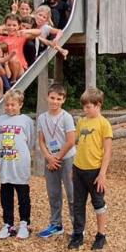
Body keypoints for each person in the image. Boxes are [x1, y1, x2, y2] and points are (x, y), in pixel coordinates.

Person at [69, 88, 112, 251]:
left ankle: (101, 235)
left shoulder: (104, 124)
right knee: (78, 204)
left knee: (98, 203)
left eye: (89, 107)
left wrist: (102, 174)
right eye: (84, 107)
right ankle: (78, 234)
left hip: (94, 171)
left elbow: (107, 150)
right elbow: (78, 143)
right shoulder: (81, 121)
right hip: (79, 168)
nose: (85, 110)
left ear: (98, 105)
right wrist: (73, 166)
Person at [36, 83, 78, 238]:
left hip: (66, 158)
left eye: (58, 99)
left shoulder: (66, 117)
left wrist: (57, 158)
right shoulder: (42, 118)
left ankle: (77, 226)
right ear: (47, 97)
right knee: (53, 192)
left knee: (72, 193)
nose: (55, 101)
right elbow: (41, 140)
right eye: (52, 98)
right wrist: (48, 157)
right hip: (50, 159)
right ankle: (56, 224)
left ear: (63, 100)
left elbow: (71, 140)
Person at [0, 90, 36, 239]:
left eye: (13, 105)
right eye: (7, 105)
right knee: (6, 195)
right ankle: (8, 224)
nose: (10, 107)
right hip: (5, 165)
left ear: (20, 105)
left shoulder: (26, 121)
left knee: (23, 195)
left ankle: (24, 223)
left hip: (20, 165)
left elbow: (30, 141)